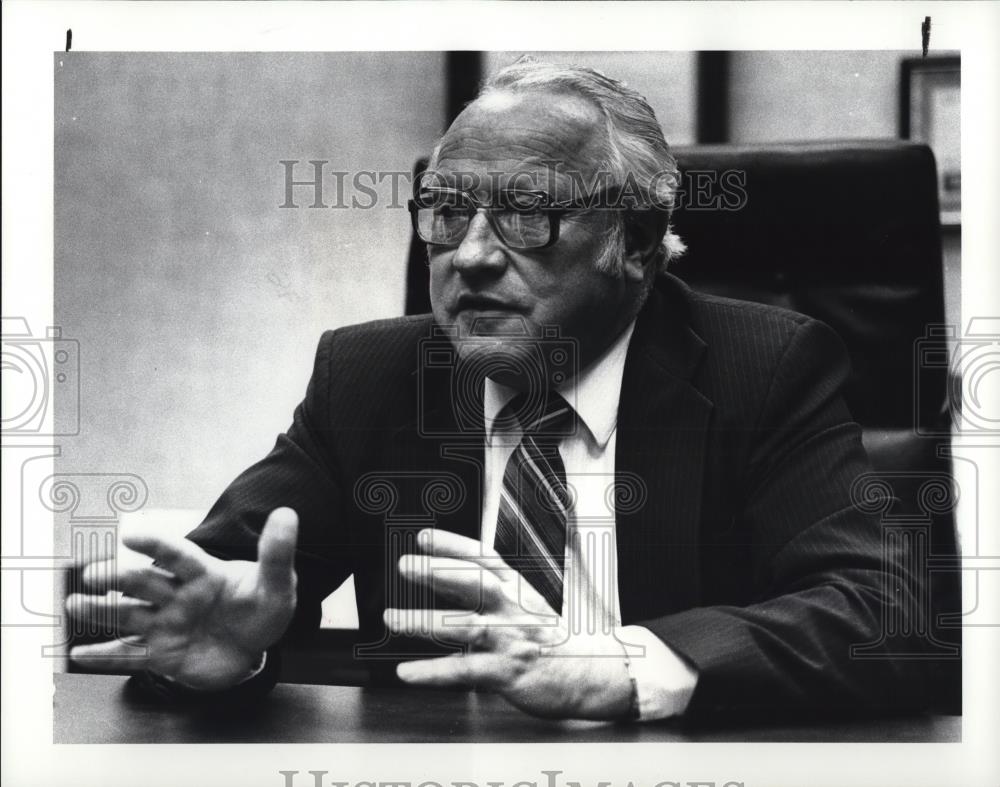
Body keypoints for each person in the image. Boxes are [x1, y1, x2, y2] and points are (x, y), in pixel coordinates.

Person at [68, 58, 930, 721]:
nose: (471, 254)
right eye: (446, 211)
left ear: (633, 243)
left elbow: (885, 610)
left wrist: (628, 665)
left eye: (526, 213)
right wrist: (220, 658)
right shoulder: (371, 377)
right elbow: (214, 601)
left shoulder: (763, 368)